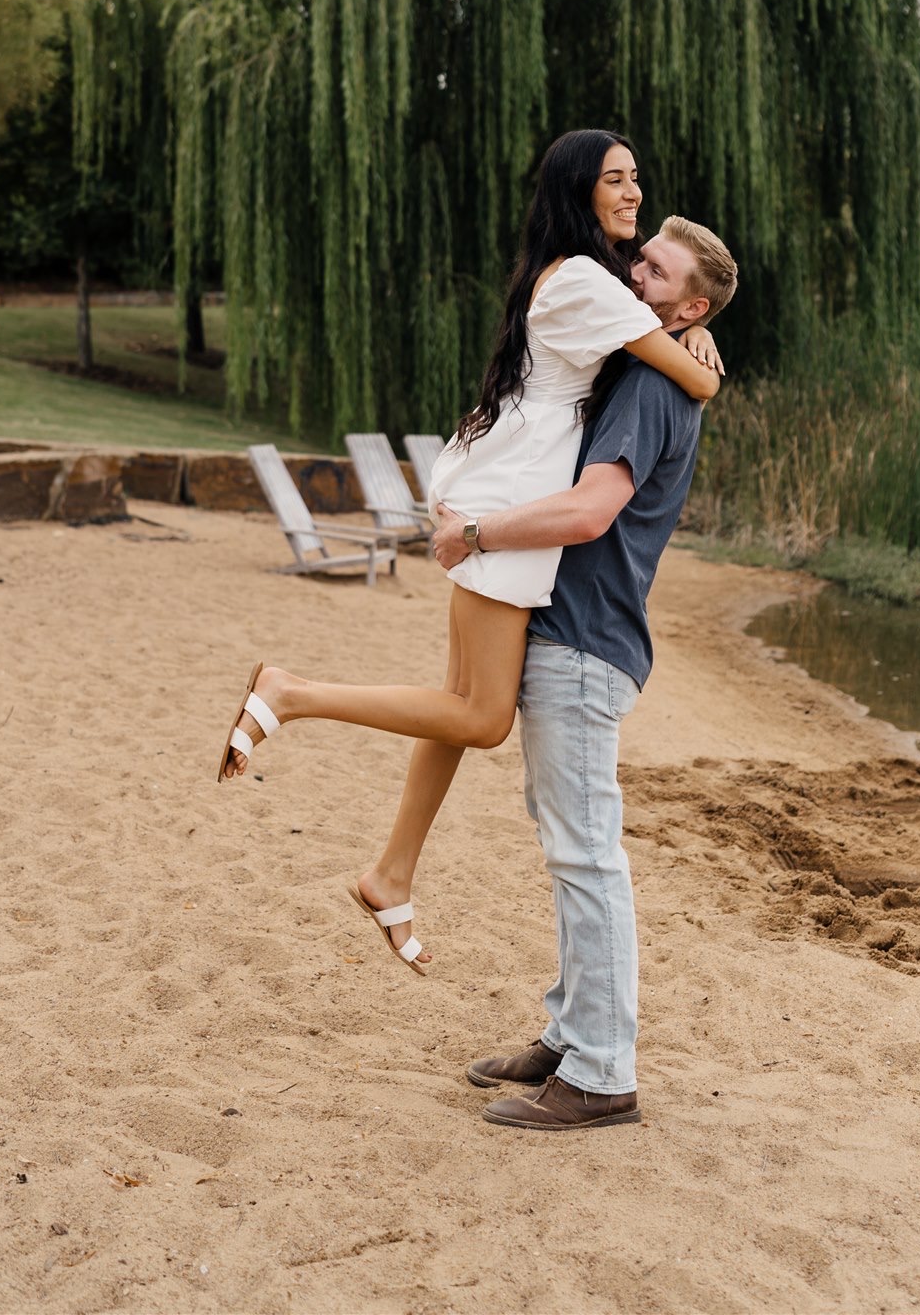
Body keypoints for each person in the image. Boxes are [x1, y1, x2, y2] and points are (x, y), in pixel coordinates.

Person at [217, 131, 722, 974]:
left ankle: (391, 872)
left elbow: (667, 339)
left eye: (637, 180)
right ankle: (293, 693)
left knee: (456, 703)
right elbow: (695, 381)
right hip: (508, 498)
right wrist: (703, 346)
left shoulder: (578, 274)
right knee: (482, 716)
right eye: (615, 181)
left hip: (498, 476)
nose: (631, 195)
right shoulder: (592, 281)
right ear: (577, 190)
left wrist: (694, 330)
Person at [432, 214, 738, 1129]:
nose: (631, 271)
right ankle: (571, 1033)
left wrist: (475, 534)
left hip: (582, 641)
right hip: (576, 637)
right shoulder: (647, 358)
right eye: (638, 258)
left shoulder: (650, 381)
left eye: (654, 272)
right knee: (571, 844)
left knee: (586, 854)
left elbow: (591, 512)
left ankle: (602, 1074)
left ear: (689, 307)